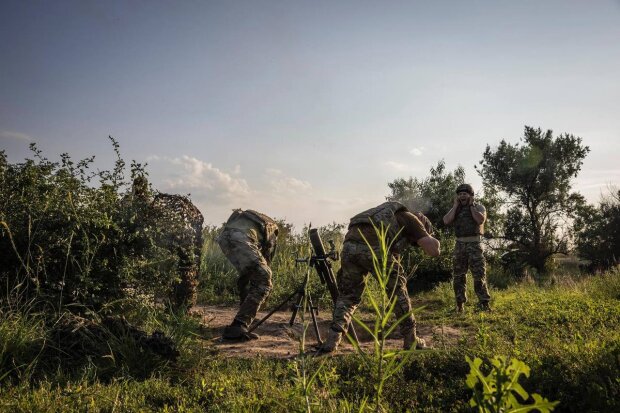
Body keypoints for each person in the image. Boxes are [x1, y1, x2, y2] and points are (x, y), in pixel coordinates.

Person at [317, 201, 441, 353]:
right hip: (373, 244)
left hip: (349, 244)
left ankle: (332, 340)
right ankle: (411, 339)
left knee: (348, 296)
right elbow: (434, 251)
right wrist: (428, 236)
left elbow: (392, 258)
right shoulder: (413, 219)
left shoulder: (391, 218)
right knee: (398, 293)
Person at [218, 209, 279, 340]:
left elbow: (249, 274)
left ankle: (243, 315)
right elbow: (267, 260)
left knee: (250, 274)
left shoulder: (253, 220)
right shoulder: (273, 230)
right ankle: (238, 326)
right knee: (264, 279)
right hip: (241, 239)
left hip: (224, 238)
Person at [443, 184, 491, 312]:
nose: (462, 196)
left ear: (470, 196)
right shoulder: (456, 209)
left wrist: (471, 206)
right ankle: (460, 306)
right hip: (459, 245)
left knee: (479, 275)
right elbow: (446, 221)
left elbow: (480, 220)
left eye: (465, 193)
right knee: (459, 276)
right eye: (460, 194)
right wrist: (454, 206)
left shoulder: (479, 207)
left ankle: (484, 304)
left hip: (474, 244)